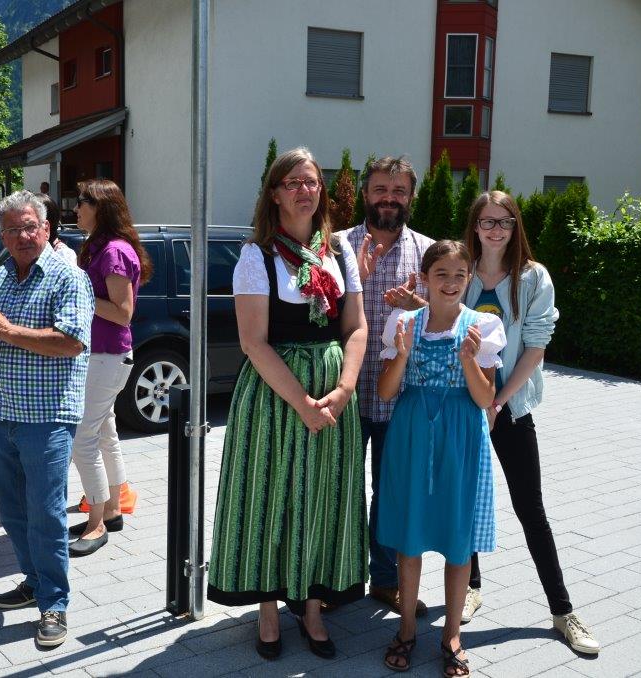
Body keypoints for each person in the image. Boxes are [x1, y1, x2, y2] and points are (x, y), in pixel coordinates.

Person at [208, 148, 368, 661]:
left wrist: (344, 390)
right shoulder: (257, 256)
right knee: (268, 495)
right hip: (275, 398)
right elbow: (253, 343)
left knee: (324, 495)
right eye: (293, 182)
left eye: (312, 181)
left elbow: (356, 327)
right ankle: (269, 609)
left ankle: (312, 605)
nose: (305, 190)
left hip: (333, 395)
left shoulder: (339, 252)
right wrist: (302, 403)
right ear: (275, 194)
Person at [460, 191, 600, 654]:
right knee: (466, 499)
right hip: (464, 406)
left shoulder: (533, 277)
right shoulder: (463, 271)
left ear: (515, 226)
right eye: (487, 221)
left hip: (510, 408)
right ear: (475, 226)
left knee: (530, 509)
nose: (495, 230)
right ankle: (471, 586)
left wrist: (498, 401)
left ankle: (563, 611)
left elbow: (536, 348)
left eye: (505, 221)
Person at [0, 190, 93, 648]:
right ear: (1, 235)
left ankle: (54, 603)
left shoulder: (68, 276)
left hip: (48, 415)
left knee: (46, 513)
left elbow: (71, 341)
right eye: (12, 229)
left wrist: (6, 330)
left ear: (46, 228)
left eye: (29, 227)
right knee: (14, 510)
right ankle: (34, 581)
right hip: (2, 411)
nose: (21, 236)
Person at [376, 240, 505, 676]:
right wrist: (402, 355)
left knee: (457, 536)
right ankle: (407, 627)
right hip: (412, 431)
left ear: (469, 279)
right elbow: (386, 392)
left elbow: (485, 398)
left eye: (459, 275)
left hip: (461, 433)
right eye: (441, 274)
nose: (450, 283)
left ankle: (451, 634)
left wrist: (469, 361)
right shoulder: (403, 322)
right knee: (409, 535)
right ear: (425, 279)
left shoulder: (482, 326)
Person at [342, 156, 434, 616]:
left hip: (401, 400)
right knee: (339, 490)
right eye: (381, 189)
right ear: (366, 193)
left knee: (391, 493)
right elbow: (317, 315)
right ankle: (336, 579)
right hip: (342, 394)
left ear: (411, 197)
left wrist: (422, 309)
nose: (389, 199)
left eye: (399, 191)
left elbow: (447, 325)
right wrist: (353, 280)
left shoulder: (429, 252)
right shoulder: (338, 246)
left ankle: (383, 579)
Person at [65, 179, 149, 557]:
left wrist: (82, 291)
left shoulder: (113, 251)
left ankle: (97, 522)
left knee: (82, 440)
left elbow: (123, 313)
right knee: (103, 435)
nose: (75, 208)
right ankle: (112, 510)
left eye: (82, 201)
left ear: (100, 207)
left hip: (107, 357)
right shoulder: (101, 246)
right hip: (101, 356)